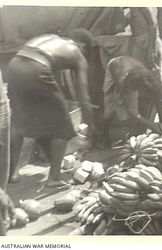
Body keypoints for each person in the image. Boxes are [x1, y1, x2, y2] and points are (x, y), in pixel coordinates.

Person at [7, 33, 96, 187]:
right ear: (83, 46)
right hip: (37, 67)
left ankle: (12, 173)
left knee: (18, 120)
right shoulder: (77, 53)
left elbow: (47, 89)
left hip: (14, 65)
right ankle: (54, 178)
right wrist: (93, 127)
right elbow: (85, 99)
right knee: (63, 125)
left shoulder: (52, 40)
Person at [103, 56, 162, 144]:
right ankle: (103, 135)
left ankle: (156, 124)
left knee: (154, 95)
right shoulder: (124, 81)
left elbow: (161, 91)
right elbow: (133, 112)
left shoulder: (147, 75)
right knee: (109, 107)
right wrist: (151, 125)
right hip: (115, 68)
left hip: (129, 68)